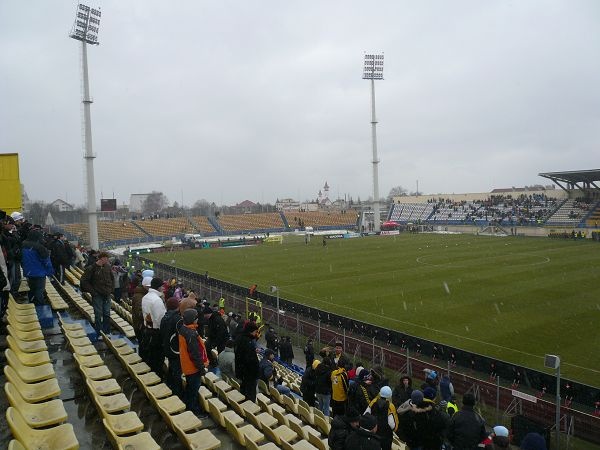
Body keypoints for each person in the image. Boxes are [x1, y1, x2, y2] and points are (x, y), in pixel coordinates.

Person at [179, 309, 208, 417]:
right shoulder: (190, 334)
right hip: (192, 368)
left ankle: (189, 404)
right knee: (193, 390)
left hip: (187, 366)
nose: (197, 320)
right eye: (196, 318)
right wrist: (201, 368)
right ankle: (194, 410)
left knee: (190, 388)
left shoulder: (184, 329)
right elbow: (195, 354)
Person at [80, 251, 113, 335]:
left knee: (107, 314)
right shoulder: (91, 268)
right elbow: (84, 281)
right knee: (98, 315)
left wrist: (110, 290)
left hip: (107, 294)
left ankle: (107, 332)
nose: (108, 260)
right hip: (97, 295)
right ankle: (99, 333)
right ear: (102, 258)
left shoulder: (108, 267)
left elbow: (111, 279)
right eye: (107, 258)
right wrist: (93, 292)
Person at [20, 230, 54, 306]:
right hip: (39, 273)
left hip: (28, 272)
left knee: (31, 289)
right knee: (39, 291)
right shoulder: (39, 247)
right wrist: (50, 271)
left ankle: (32, 305)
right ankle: (39, 308)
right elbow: (46, 261)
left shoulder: (23, 244)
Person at [141, 277, 167, 375]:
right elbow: (161, 320)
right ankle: (157, 377)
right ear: (159, 287)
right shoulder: (156, 300)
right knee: (158, 359)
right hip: (156, 333)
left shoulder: (146, 297)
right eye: (162, 286)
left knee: (152, 356)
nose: (164, 288)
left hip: (148, 330)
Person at [160, 297, 183, 398]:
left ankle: (170, 385)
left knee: (172, 368)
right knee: (177, 372)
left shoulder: (165, 317)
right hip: (175, 350)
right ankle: (176, 393)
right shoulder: (177, 319)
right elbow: (181, 336)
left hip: (168, 348)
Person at [365, 386, 398, 450]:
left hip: (372, 433)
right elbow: (393, 426)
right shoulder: (391, 406)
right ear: (390, 395)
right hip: (385, 437)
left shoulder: (373, 401)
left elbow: (366, 414)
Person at [235, 321, 260, 401]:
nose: (256, 334)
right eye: (255, 332)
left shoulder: (240, 338)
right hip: (249, 374)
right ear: (251, 331)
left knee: (244, 390)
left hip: (242, 371)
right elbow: (250, 360)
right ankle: (249, 410)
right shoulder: (247, 342)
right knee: (250, 394)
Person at [315, 350, 334, 416]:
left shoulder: (318, 368)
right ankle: (325, 423)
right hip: (325, 392)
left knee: (320, 405)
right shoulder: (329, 372)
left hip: (317, 390)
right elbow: (330, 383)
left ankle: (317, 418)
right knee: (326, 408)